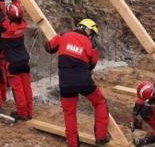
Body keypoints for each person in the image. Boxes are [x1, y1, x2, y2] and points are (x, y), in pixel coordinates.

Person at [45, 18, 111, 147]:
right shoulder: (92, 46)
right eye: (92, 34)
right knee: (100, 102)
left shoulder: (63, 35)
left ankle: (73, 144)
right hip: (84, 81)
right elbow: (91, 66)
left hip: (65, 83)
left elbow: (49, 48)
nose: (92, 37)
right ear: (88, 30)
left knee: (69, 113)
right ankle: (101, 137)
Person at [0, 0, 33, 120]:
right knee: (27, 87)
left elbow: (0, 13)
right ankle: (29, 112)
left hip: (12, 63)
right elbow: (16, 11)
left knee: (18, 89)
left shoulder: (7, 28)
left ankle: (22, 113)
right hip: (24, 60)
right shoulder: (23, 24)